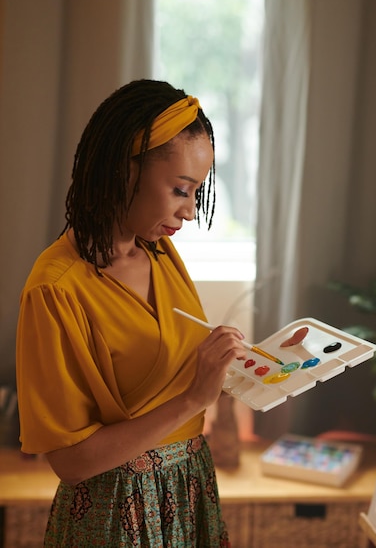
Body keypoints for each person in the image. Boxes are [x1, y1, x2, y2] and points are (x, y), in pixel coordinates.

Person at [16, 79, 247, 547]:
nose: (189, 212)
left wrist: (231, 368)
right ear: (124, 170)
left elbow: (169, 371)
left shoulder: (159, 251)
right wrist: (192, 399)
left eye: (196, 192)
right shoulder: (55, 290)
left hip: (189, 490)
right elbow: (71, 462)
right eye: (181, 189)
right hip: (118, 512)